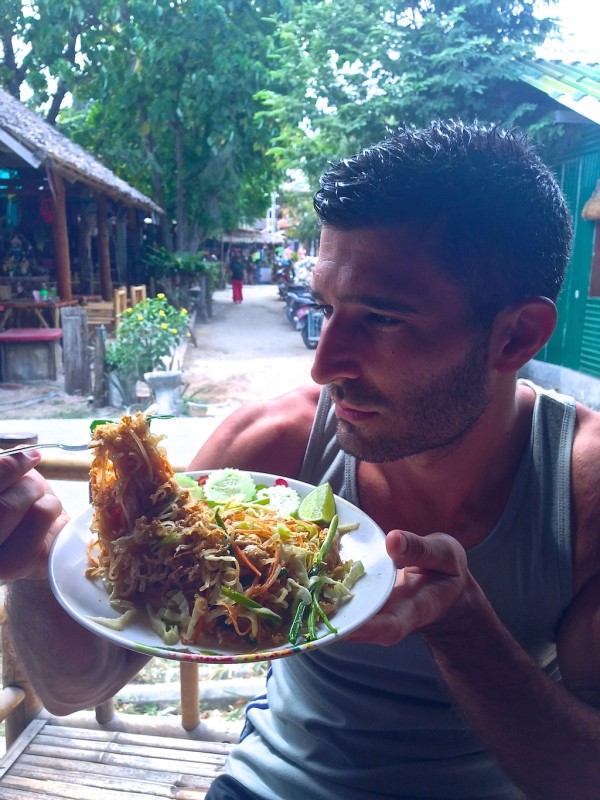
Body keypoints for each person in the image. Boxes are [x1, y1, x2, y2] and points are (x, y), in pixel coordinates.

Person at [4, 119, 600, 800]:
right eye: (326, 307)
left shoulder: (580, 492)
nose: (324, 365)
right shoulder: (270, 452)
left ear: (516, 335)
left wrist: (463, 624)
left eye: (381, 318)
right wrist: (28, 569)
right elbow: (76, 686)